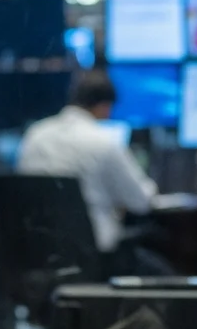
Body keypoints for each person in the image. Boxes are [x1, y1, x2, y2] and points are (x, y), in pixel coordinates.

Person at [18, 69, 157, 255]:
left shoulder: (35, 135)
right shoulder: (104, 141)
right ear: (104, 106)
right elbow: (140, 202)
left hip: (37, 250)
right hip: (93, 253)